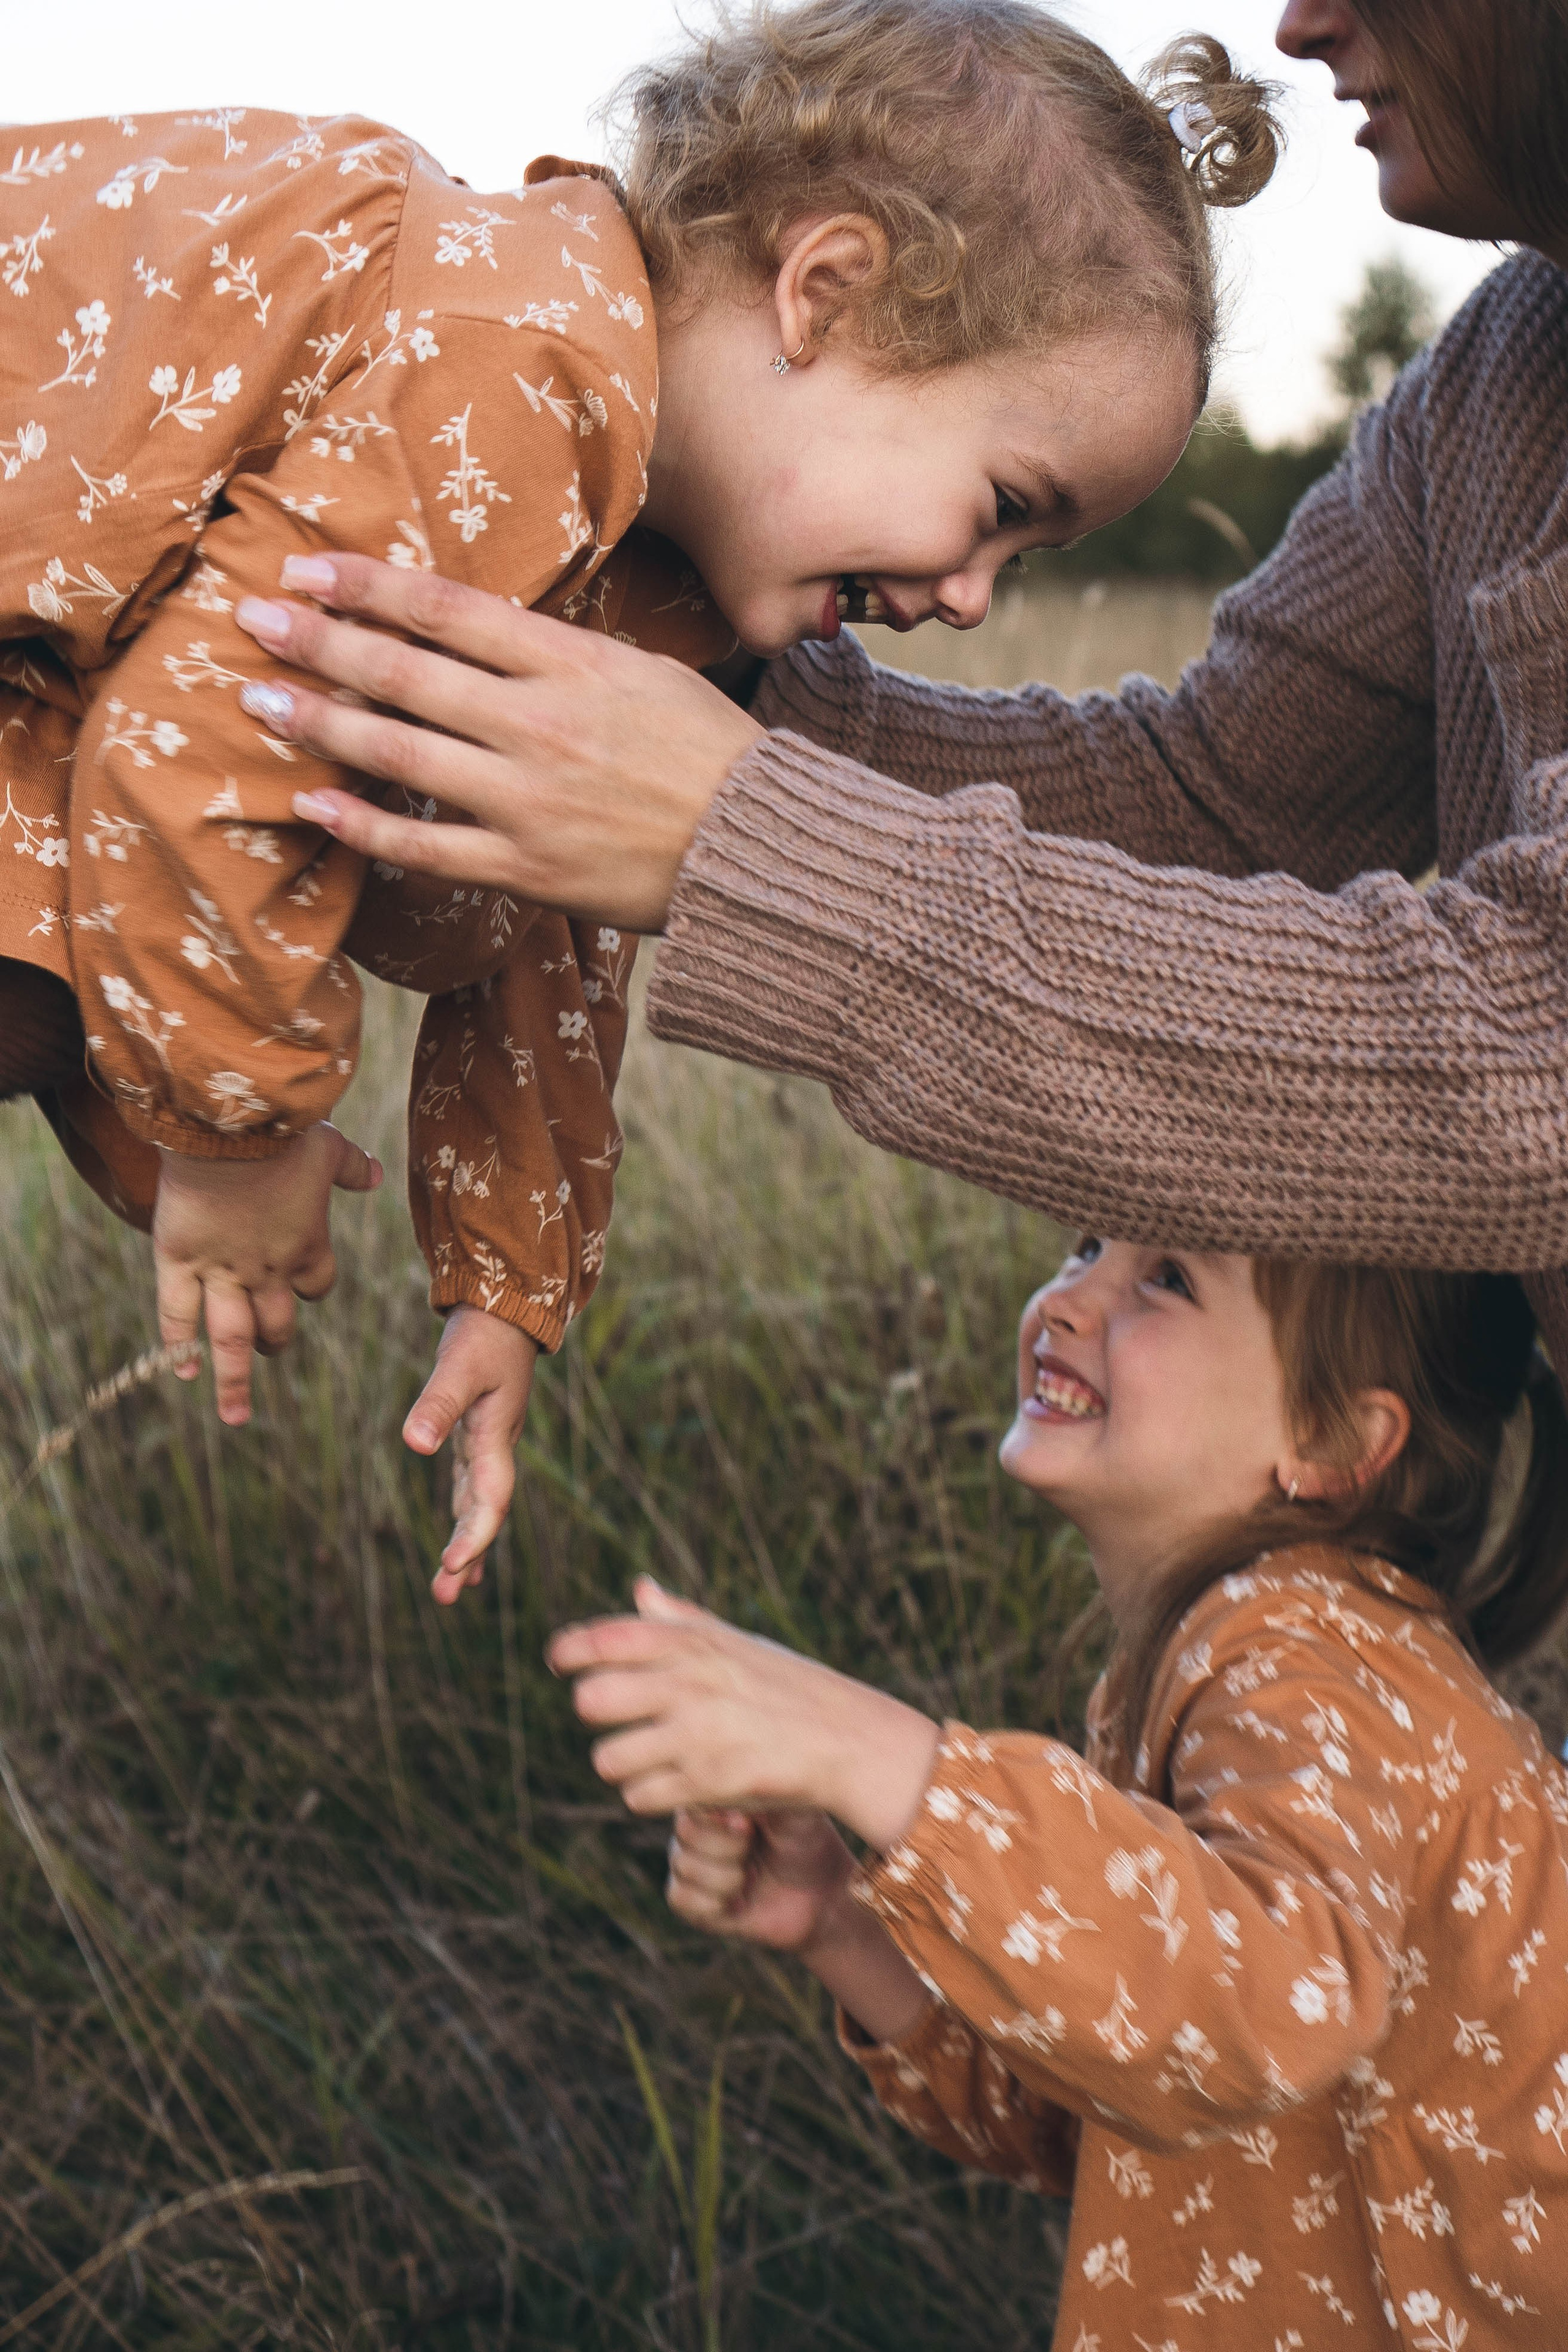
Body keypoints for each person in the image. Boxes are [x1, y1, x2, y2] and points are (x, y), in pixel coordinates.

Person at [0, 6, 1279, 1589]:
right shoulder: (513, 368)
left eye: (1024, 564)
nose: (968, 598)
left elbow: (543, 905)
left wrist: (505, 1280)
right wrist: (237, 1136)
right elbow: (196, 751)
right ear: (825, 293)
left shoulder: (636, 570)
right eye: (1003, 509)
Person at [225, 0, 1568, 1400]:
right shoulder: (1497, 374)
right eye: (994, 511)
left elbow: (1539, 1066)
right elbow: (1217, 799)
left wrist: (743, 836)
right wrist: (684, 677)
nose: (1300, 23)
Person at [549, 1236, 1568, 2346]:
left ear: (1332, 1441)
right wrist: (841, 1921)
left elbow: (1276, 2004)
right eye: (1087, 1244)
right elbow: (1121, 2088)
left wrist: (872, 1751)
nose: (1068, 1300)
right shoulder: (1250, 1647)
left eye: (1166, 1278)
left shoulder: (1318, 1661)